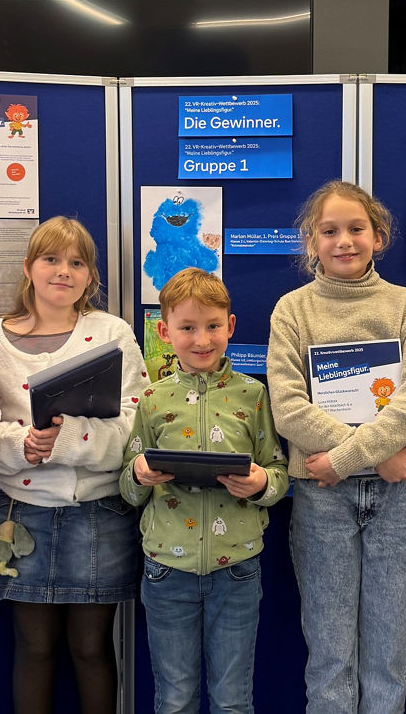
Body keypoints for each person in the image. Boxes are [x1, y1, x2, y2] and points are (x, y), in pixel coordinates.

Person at [0, 216, 146, 714]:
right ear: (28, 268)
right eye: (51, 259)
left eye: (77, 262)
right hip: (22, 515)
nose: (64, 271)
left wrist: (64, 441)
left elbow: (137, 429)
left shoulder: (111, 334)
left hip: (101, 515)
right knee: (35, 648)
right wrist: (24, 446)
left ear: (90, 277)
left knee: (90, 647)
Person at [267, 180, 406, 714]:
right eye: (330, 230)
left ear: (378, 236)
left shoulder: (405, 305)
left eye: (356, 228)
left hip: (399, 490)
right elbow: (289, 409)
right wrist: (371, 453)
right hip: (322, 497)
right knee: (329, 655)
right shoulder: (292, 311)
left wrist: (346, 458)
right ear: (311, 241)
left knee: (389, 655)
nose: (345, 240)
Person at [120, 268, 289, 714]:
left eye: (213, 326)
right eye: (187, 328)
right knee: (174, 700)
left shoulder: (254, 395)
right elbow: (127, 487)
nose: (201, 340)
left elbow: (278, 473)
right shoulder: (152, 400)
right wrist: (138, 473)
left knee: (233, 701)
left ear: (230, 326)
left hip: (236, 568)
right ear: (164, 332)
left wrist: (259, 485)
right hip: (165, 569)